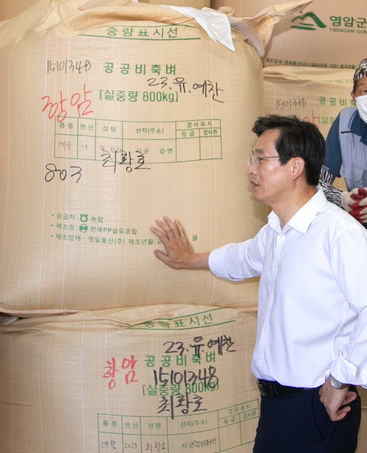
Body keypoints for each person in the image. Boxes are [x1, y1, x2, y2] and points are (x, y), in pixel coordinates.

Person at [151, 115, 367, 452]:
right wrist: (187, 258)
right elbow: (239, 259)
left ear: (295, 167)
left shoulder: (339, 233)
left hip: (317, 407)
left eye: (260, 158)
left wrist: (342, 377)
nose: (251, 169)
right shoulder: (276, 233)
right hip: (276, 407)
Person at [319, 57, 367, 225]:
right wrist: (343, 199)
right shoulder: (344, 123)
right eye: (365, 91)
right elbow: (318, 181)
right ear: (353, 97)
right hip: (358, 223)